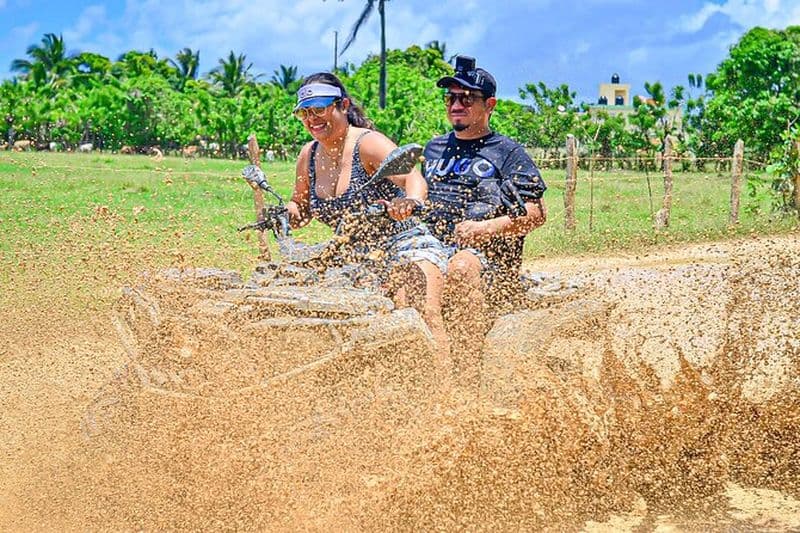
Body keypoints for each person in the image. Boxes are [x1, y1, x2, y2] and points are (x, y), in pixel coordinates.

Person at [285, 72, 451, 357]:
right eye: (304, 113)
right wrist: (282, 214)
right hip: (351, 255)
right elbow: (300, 211)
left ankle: (447, 393)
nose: (312, 119)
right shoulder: (308, 155)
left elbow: (414, 179)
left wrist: (410, 201)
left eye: (320, 109)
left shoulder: (368, 144)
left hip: (404, 245)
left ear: (343, 105)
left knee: (421, 310)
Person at [421, 56, 547, 384]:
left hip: (487, 258)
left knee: (460, 267)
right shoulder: (433, 149)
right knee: (408, 273)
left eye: (467, 98)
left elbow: (536, 213)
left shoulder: (508, 152)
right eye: (451, 97)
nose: (456, 104)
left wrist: (485, 228)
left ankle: (468, 372)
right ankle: (422, 372)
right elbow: (414, 193)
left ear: (489, 104)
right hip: (433, 246)